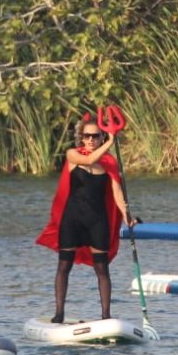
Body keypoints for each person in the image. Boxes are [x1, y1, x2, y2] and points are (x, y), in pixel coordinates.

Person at [36, 115, 135, 323]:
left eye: (95, 136)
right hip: (72, 219)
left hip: (97, 221)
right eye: (86, 136)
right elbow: (89, 160)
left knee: (102, 268)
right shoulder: (73, 154)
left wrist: (127, 216)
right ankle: (59, 313)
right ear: (81, 138)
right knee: (64, 266)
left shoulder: (109, 163)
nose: (90, 140)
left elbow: (117, 193)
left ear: (100, 137)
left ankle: (106, 316)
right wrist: (110, 141)